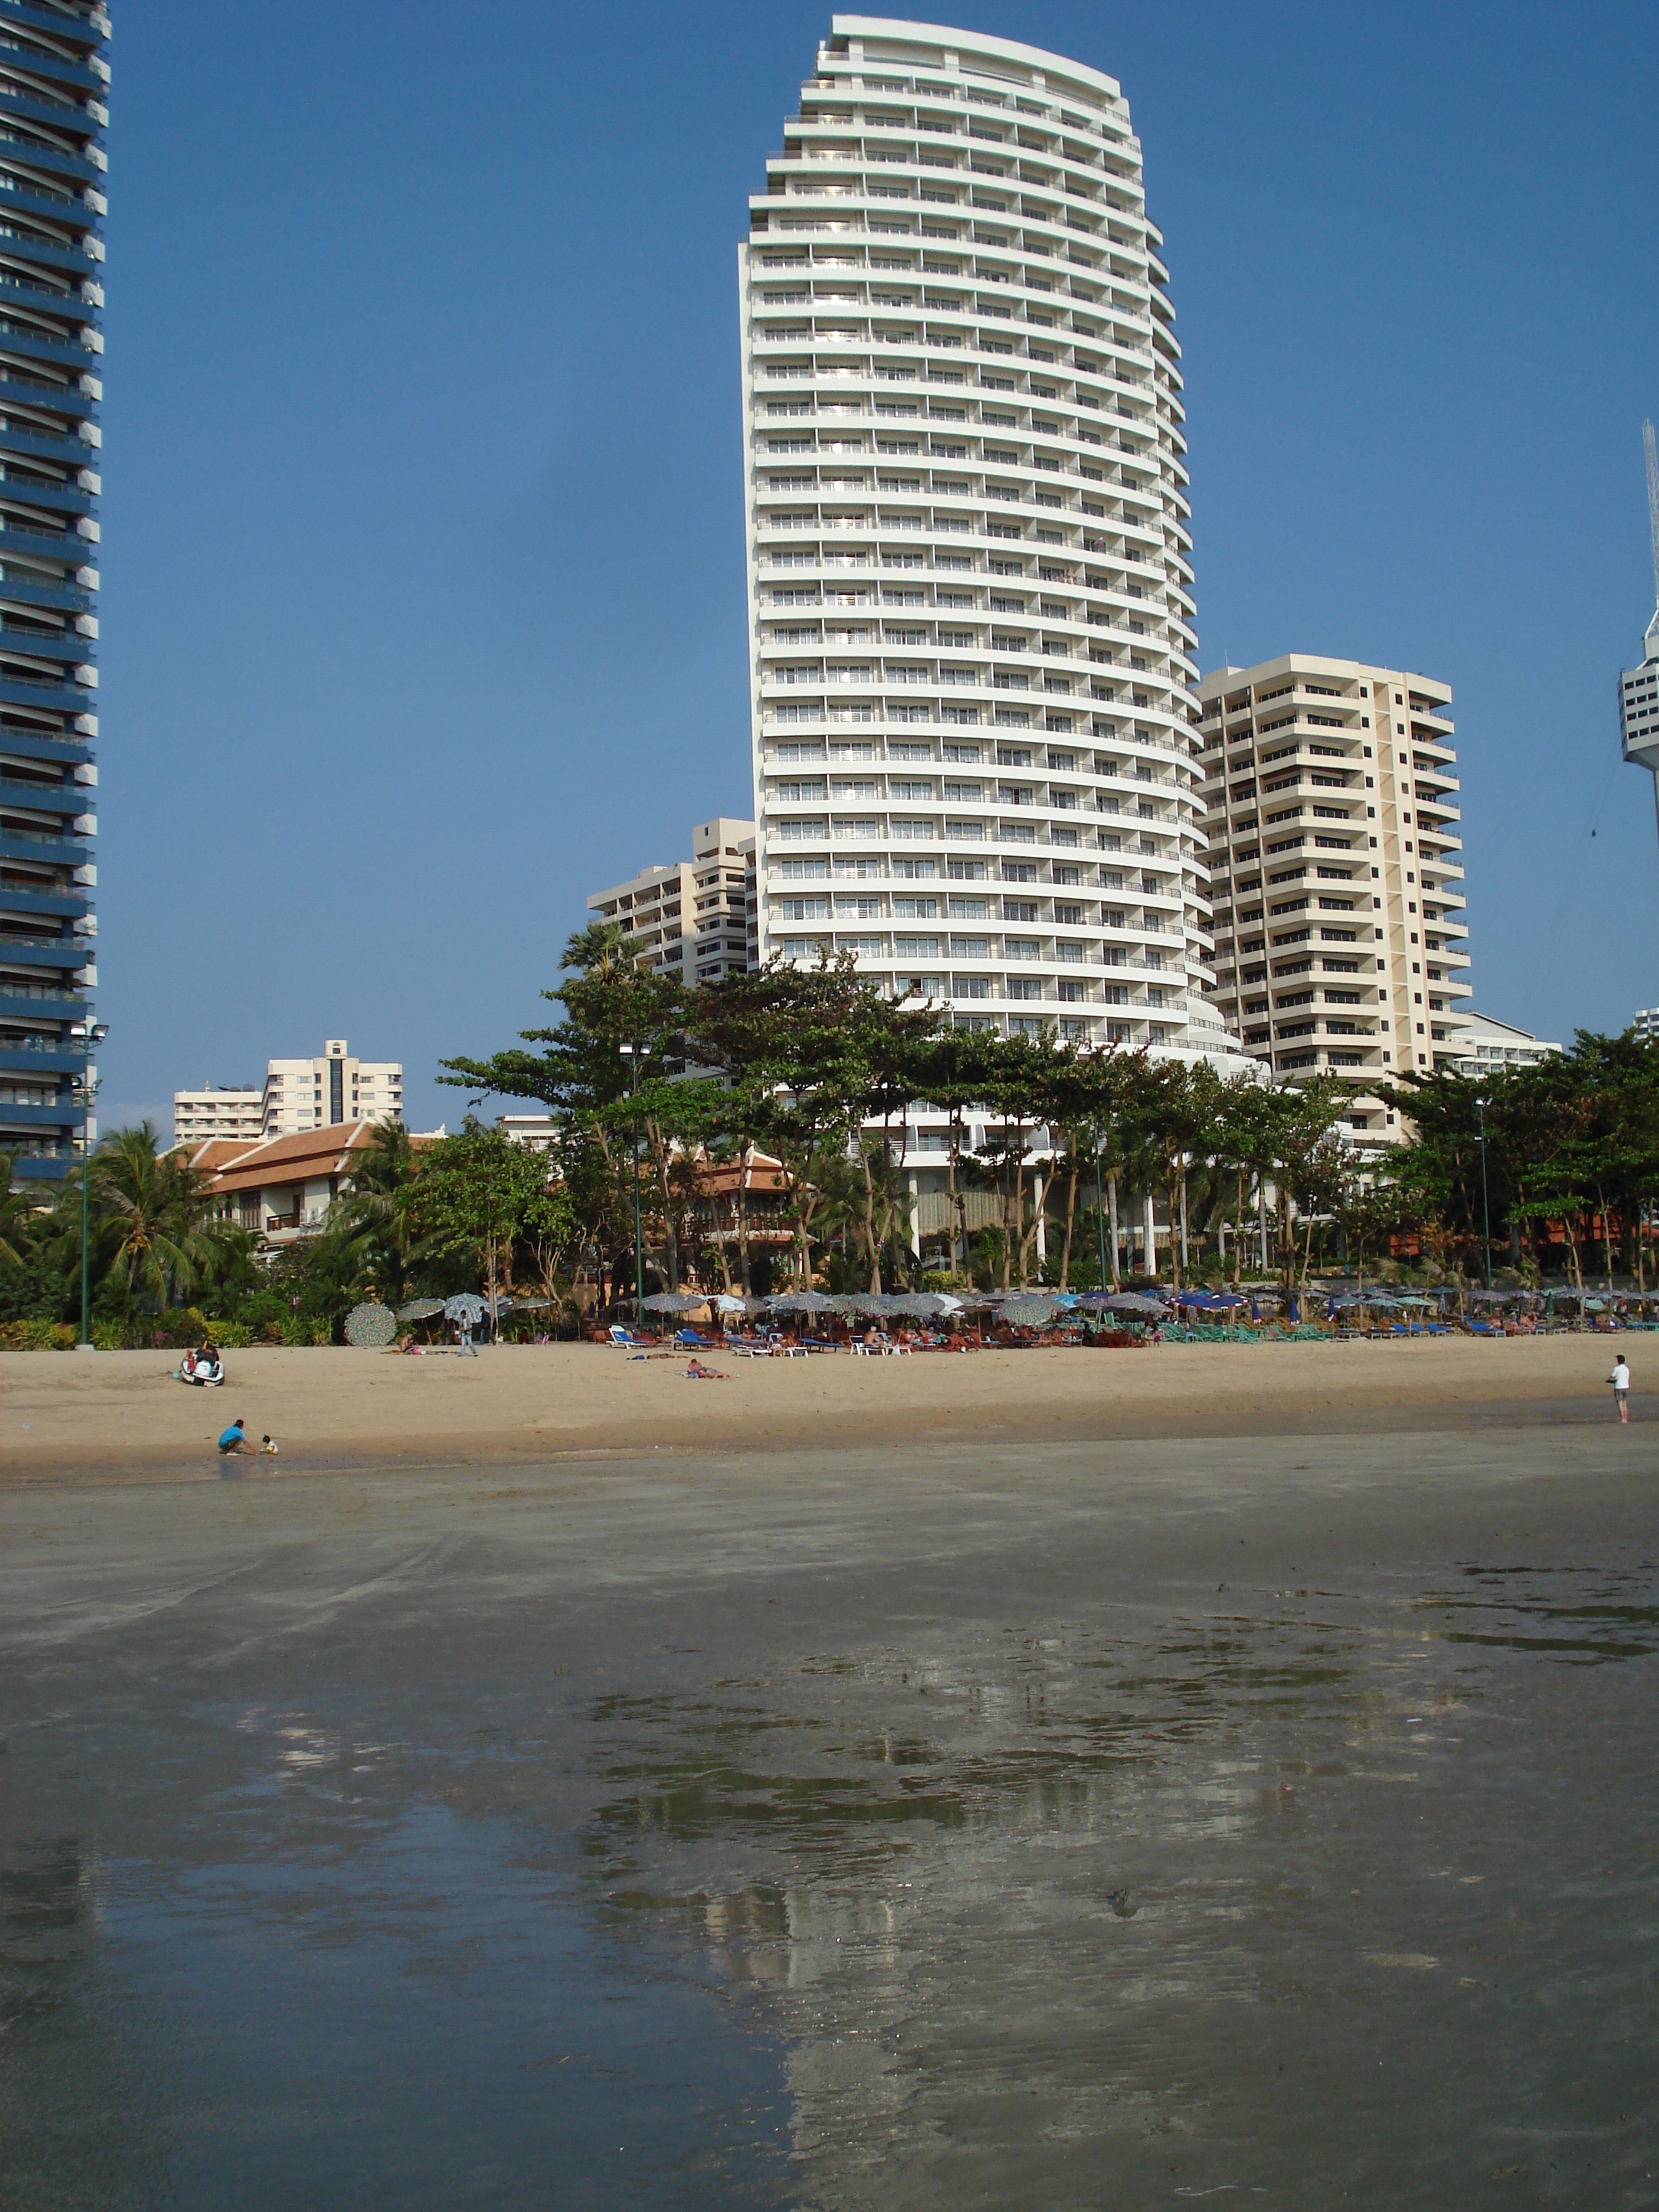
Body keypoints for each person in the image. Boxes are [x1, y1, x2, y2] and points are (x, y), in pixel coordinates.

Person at [1609, 1355, 1631, 1425]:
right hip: (1626, 1387)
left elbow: (1612, 1377)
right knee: (1625, 1404)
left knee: (1620, 1403)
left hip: (1619, 1387)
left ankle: (1623, 1419)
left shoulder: (1617, 1368)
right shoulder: (1627, 1369)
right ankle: (1626, 1419)